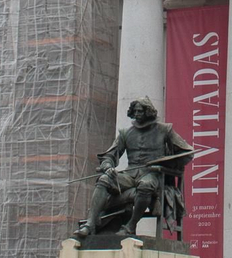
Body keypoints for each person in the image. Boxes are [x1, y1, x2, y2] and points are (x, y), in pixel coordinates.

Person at [75, 98, 196, 239]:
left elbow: (187, 153)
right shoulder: (126, 133)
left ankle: (130, 226)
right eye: (135, 111)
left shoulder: (165, 130)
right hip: (130, 174)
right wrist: (108, 166)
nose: (137, 113)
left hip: (153, 174)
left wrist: (168, 164)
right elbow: (109, 155)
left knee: (145, 186)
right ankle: (90, 224)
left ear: (148, 112)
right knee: (104, 179)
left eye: (140, 111)